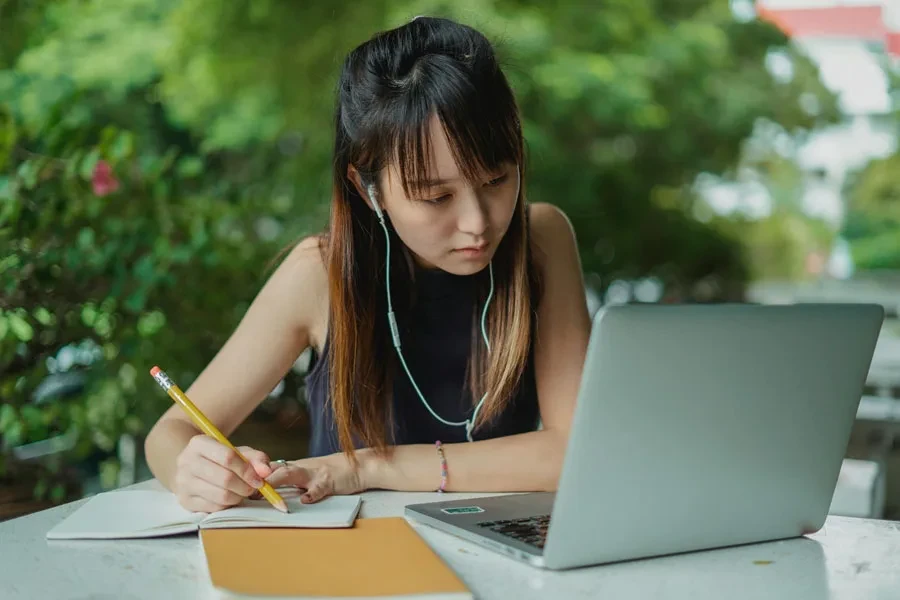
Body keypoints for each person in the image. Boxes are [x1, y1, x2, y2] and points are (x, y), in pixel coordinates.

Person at [144, 16, 591, 513]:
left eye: (496, 181)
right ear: (367, 187)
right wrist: (197, 471)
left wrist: (366, 466)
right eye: (436, 196)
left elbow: (573, 452)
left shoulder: (542, 240)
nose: (477, 224)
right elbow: (170, 433)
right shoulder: (321, 271)